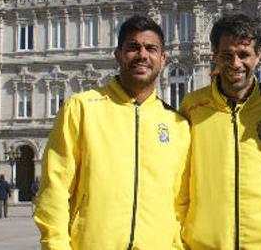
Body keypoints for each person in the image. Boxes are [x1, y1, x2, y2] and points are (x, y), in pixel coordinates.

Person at [34, 15, 190, 250]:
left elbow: (180, 203)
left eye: (151, 49)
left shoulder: (177, 125)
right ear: (118, 55)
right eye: (133, 48)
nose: (142, 55)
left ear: (163, 59)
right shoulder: (81, 108)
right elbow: (54, 190)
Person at [179, 13, 261, 249]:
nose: (235, 63)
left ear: (258, 55)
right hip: (205, 244)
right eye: (227, 55)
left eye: (244, 54)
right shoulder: (191, 107)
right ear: (215, 56)